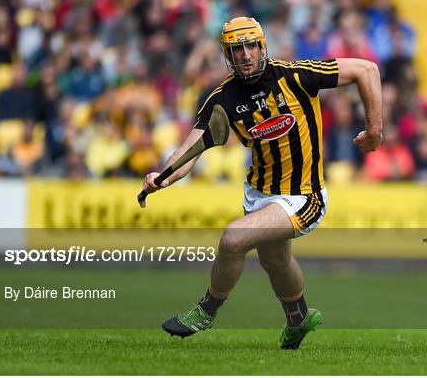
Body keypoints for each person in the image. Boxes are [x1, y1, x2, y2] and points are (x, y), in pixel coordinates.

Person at [143, 17, 382, 349]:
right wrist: (161, 177)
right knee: (275, 261)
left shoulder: (295, 75)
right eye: (236, 49)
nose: (245, 55)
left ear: (261, 46)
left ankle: (206, 310)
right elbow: (187, 153)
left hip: (303, 196)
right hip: (258, 193)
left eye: (250, 46)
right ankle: (299, 319)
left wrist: (374, 130)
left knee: (232, 238)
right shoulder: (222, 98)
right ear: (228, 55)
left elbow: (366, 70)